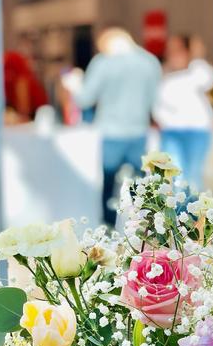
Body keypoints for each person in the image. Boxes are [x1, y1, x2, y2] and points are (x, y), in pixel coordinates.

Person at [66, 27, 161, 225]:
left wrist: (73, 84)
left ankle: (108, 229)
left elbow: (85, 98)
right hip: (139, 131)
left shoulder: (103, 63)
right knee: (139, 187)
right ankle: (144, 230)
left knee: (110, 185)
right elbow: (155, 100)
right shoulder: (149, 62)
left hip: (112, 133)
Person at [154, 35, 213, 191]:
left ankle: (193, 206)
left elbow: (207, 78)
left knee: (194, 174)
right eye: (170, 50)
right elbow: (157, 104)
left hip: (197, 131)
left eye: (179, 50)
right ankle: (179, 206)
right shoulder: (163, 75)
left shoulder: (198, 72)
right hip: (171, 131)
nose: (173, 54)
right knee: (174, 175)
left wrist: (195, 56)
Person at [3, 51, 49, 121]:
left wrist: (23, 115)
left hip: (35, 109)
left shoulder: (12, 59)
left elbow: (22, 87)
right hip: (19, 109)